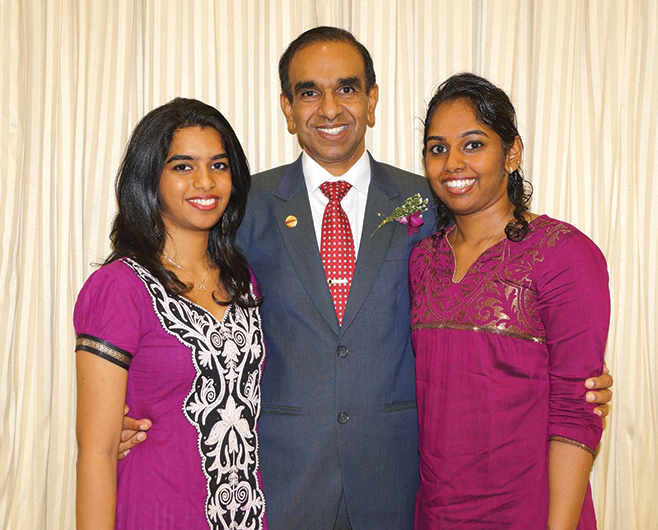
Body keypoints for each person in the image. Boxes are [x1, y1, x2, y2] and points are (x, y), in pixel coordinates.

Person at [118, 28, 614, 529]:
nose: (329, 108)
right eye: (309, 91)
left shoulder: (434, 200)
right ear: (288, 109)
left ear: (372, 101)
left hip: (402, 484)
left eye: (347, 88)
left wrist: (574, 383)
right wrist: (132, 407)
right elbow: (180, 306)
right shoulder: (241, 206)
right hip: (283, 481)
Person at [410, 72, 609, 529]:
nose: (453, 163)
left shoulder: (564, 254)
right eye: (438, 148)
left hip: (529, 511)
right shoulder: (422, 259)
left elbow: (576, 411)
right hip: (437, 512)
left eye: (473, 144)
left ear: (512, 152)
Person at [73, 98, 267, 529]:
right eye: (183, 167)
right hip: (155, 511)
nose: (205, 181)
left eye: (218, 165)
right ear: (150, 178)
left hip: (243, 514)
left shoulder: (242, 281)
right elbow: (97, 451)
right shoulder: (119, 288)